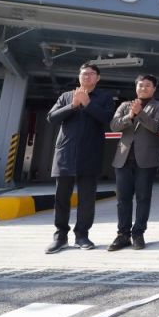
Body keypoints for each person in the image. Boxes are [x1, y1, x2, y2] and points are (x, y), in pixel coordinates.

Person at [45, 63, 115, 254]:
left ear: (98, 78)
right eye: (84, 73)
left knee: (87, 198)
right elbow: (51, 118)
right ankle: (60, 236)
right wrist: (73, 105)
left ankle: (82, 235)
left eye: (91, 74)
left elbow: (108, 119)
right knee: (61, 198)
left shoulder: (105, 98)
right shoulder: (66, 96)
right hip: (65, 153)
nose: (87, 76)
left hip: (90, 154)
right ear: (79, 76)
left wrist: (88, 104)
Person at [108, 74, 159, 251]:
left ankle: (138, 233)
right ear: (136, 87)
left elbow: (156, 127)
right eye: (140, 85)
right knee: (123, 199)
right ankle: (123, 234)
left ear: (154, 88)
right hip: (123, 158)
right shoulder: (125, 105)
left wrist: (140, 113)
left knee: (143, 198)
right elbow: (114, 125)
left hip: (146, 160)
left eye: (148, 85)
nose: (143, 88)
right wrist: (130, 115)